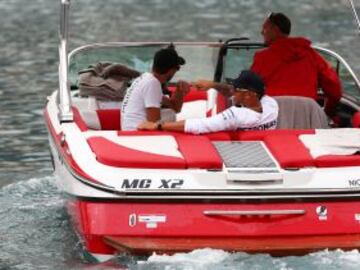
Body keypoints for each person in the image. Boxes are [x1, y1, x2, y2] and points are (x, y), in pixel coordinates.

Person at [195, 12, 342, 117]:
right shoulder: (312, 55)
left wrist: (214, 85)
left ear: (275, 30)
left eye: (264, 28)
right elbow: (335, 90)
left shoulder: (263, 57)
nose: (261, 32)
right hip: (308, 119)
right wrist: (327, 113)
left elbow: (245, 91)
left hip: (273, 119)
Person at [138, 70, 278, 134]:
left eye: (236, 89)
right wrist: (212, 85)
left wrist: (158, 126)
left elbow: (200, 125)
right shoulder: (272, 106)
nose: (233, 91)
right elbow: (234, 92)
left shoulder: (236, 115)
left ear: (249, 94)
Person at [121, 47, 190, 130]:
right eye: (177, 68)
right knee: (176, 120)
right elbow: (154, 123)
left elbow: (175, 108)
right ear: (171, 70)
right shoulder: (152, 84)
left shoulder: (145, 78)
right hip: (136, 134)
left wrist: (179, 89)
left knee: (170, 113)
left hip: (129, 130)